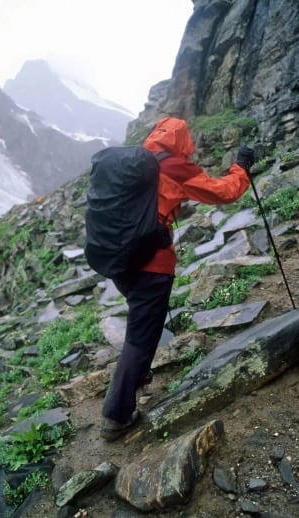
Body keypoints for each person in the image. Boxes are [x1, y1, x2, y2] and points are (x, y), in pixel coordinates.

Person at [100, 116, 254, 441]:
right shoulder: (174, 168)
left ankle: (137, 378)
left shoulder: (134, 163)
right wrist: (242, 166)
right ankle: (116, 416)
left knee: (141, 322)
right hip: (151, 265)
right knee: (140, 337)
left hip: (118, 260)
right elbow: (225, 192)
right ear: (181, 141)